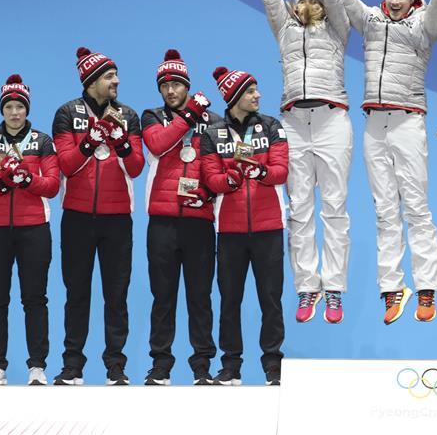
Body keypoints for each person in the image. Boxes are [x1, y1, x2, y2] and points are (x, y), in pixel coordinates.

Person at [313, 0, 437, 324]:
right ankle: (392, 289)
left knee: (416, 208)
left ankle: (426, 288)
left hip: (408, 122)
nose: (394, 1)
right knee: (383, 210)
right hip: (375, 124)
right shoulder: (370, 22)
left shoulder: (423, 26)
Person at [253, 0, 352, 324]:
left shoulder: (339, 30)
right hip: (293, 122)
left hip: (332, 121)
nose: (308, 6)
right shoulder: (284, 29)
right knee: (299, 209)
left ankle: (334, 290)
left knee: (334, 207)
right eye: (303, 1)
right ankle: (307, 288)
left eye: (315, 2)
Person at [51, 47, 144, 385]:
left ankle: (115, 366)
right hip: (76, 217)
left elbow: (136, 168)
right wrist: (89, 141)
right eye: (109, 76)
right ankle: (72, 366)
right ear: (92, 81)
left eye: (115, 75)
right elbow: (65, 165)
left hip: (118, 218)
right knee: (76, 293)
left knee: (116, 294)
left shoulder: (128, 115)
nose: (116, 80)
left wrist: (122, 143)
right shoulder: (66, 113)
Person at [200, 66, 288, 386]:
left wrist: (260, 172)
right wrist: (231, 179)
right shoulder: (212, 134)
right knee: (229, 300)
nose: (257, 96)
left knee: (270, 300)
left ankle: (273, 367)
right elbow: (210, 178)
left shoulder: (272, 127)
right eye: (250, 92)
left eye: (256, 90)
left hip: (268, 228)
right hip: (230, 231)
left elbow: (281, 170)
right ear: (235, 96)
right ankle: (231, 366)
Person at [0, 75, 60, 386]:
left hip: (34, 229)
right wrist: (3, 182)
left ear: (27, 109)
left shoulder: (42, 141)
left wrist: (27, 181)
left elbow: (52, 186)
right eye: (9, 106)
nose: (14, 112)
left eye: (19, 106)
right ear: (2, 109)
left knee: (35, 298)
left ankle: (37, 366)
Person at [140, 50, 221, 385]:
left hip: (200, 220)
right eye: (165, 86)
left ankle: (202, 366)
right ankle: (161, 365)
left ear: (186, 85)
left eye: (176, 84)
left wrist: (211, 193)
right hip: (162, 221)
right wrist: (188, 116)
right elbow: (158, 145)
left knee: (200, 296)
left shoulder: (215, 121)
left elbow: (221, 166)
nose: (170, 90)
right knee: (163, 296)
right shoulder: (151, 116)